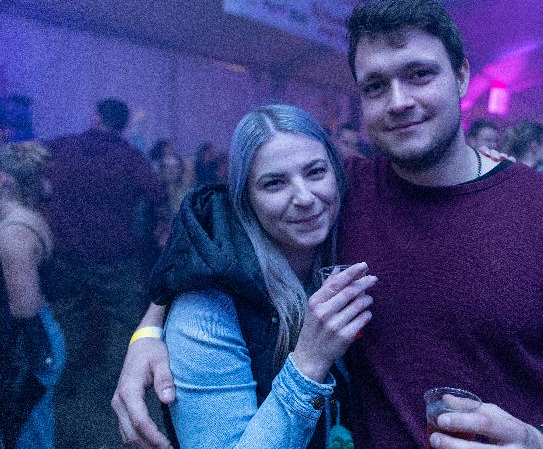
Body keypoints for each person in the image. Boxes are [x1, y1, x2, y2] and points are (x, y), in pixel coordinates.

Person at [113, 0, 543, 449]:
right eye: (375, 86)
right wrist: (148, 329)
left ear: (462, 76)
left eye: (419, 75)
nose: (398, 101)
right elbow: (214, 233)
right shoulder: (337, 191)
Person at [141, 105, 374, 448]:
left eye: (315, 172)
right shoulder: (206, 307)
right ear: (245, 199)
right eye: (274, 183)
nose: (305, 197)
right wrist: (309, 364)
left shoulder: (339, 253)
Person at [45, 98, 166, 448]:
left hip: (67, 255)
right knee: (124, 322)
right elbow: (157, 193)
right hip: (115, 257)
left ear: (96, 117)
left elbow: (30, 159)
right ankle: (117, 387)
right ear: (123, 124)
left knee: (68, 318)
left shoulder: (66, 146)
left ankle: (62, 382)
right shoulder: (129, 157)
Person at [0, 142, 66, 449]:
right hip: (37, 341)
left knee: (25, 434)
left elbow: (24, 310)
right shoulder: (23, 219)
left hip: (29, 349)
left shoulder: (12, 234)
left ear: (3, 181)